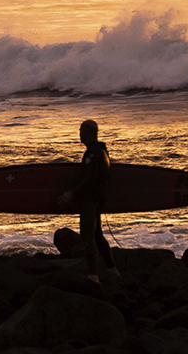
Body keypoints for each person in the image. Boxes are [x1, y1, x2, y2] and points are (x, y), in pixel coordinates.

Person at [59, 119, 119, 282]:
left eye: (80, 131)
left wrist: (73, 193)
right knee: (97, 235)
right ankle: (112, 269)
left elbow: (90, 178)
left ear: (85, 133)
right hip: (99, 198)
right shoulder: (102, 151)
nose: (79, 134)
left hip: (91, 200)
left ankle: (93, 275)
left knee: (87, 235)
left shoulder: (92, 153)